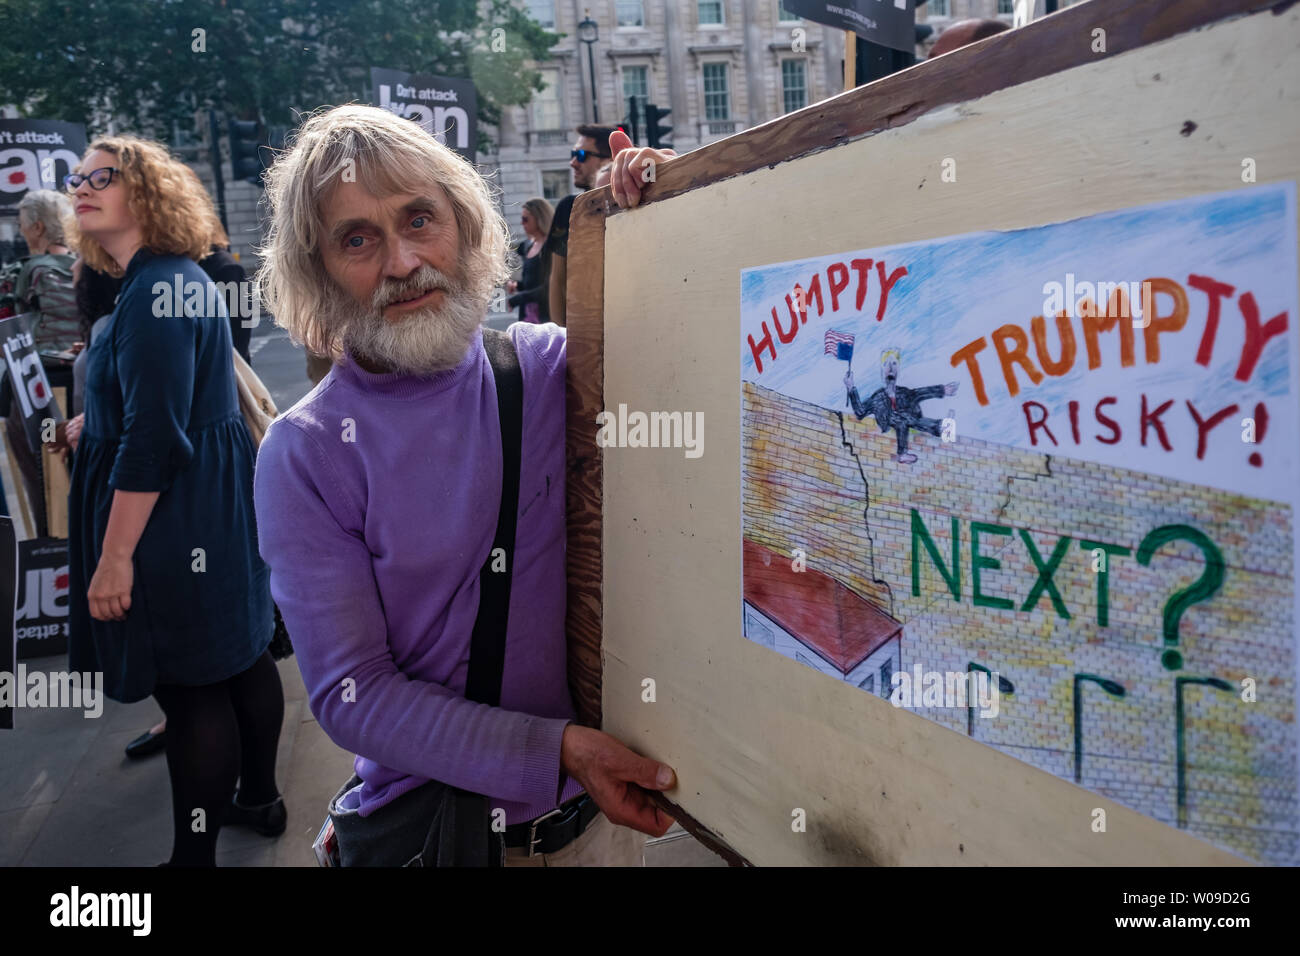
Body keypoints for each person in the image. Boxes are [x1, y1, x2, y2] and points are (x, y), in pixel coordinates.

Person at [254, 104, 679, 866]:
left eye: (420, 219)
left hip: (605, 827)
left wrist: (664, 206)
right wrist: (561, 751)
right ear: (316, 271)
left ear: (467, 225)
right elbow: (356, 695)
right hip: (442, 842)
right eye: (357, 239)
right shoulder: (304, 454)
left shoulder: (553, 369)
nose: (403, 262)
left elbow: (706, 344)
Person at [63, 136, 285, 866]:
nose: (82, 187)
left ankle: (193, 861)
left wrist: (114, 558)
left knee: (192, 696)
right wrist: (96, 416)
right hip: (210, 509)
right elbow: (165, 403)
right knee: (240, 663)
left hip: (170, 518)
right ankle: (260, 796)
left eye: (103, 176)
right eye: (78, 178)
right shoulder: (173, 278)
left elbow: (155, 439)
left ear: (147, 192)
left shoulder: (156, 288)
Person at [544, 124, 619, 327]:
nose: (573, 162)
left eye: (582, 155)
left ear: (610, 159)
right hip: (585, 330)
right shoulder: (568, 208)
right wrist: (562, 337)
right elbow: (558, 278)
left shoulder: (637, 201)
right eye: (573, 154)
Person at [844, 348, 958, 465]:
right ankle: (935, 430)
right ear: (882, 370)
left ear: (898, 369)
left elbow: (920, 393)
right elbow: (860, 412)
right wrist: (851, 387)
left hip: (905, 420)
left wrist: (943, 390)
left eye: (894, 364)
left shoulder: (904, 392)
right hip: (887, 421)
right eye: (887, 364)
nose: (891, 368)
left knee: (906, 418)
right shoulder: (878, 397)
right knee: (902, 419)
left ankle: (941, 429)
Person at [506, 197, 553, 323]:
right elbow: (532, 283)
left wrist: (518, 299)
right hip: (528, 316)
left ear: (539, 218)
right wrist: (517, 286)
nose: (522, 223)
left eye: (525, 219)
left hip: (545, 317)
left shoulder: (550, 247)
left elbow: (550, 287)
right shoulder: (529, 245)